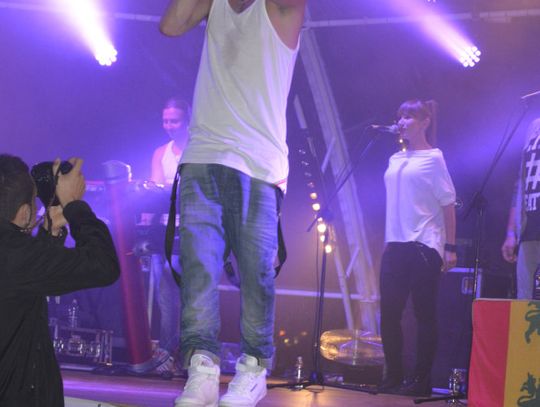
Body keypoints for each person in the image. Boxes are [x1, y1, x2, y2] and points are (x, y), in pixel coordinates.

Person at [160, 0, 306, 406]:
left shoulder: (280, 10)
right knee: (198, 271)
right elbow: (171, 25)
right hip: (202, 155)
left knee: (256, 275)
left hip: (258, 164)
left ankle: (253, 369)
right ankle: (202, 369)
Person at [0, 155, 120, 406]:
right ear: (24, 212)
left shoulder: (17, 257)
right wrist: (74, 206)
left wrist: (50, 232)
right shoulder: (16, 254)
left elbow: (23, 292)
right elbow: (103, 265)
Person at [378, 100, 457, 397]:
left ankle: (421, 379)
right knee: (389, 314)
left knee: (424, 314)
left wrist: (450, 247)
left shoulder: (434, 158)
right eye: (399, 116)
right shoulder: (394, 159)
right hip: (395, 245)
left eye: (409, 116)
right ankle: (393, 376)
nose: (401, 121)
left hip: (424, 244)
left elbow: (448, 204)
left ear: (424, 122)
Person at [147, 98, 191, 359]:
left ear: (187, 121)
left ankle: (179, 351)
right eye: (165, 120)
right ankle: (167, 350)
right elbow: (154, 190)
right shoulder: (160, 153)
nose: (169, 125)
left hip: (189, 230)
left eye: (174, 120)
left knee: (182, 292)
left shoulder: (197, 151)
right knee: (164, 295)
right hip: (162, 230)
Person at [501, 118, 540, 299]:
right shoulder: (533, 126)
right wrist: (511, 232)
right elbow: (521, 184)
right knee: (524, 301)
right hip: (528, 228)